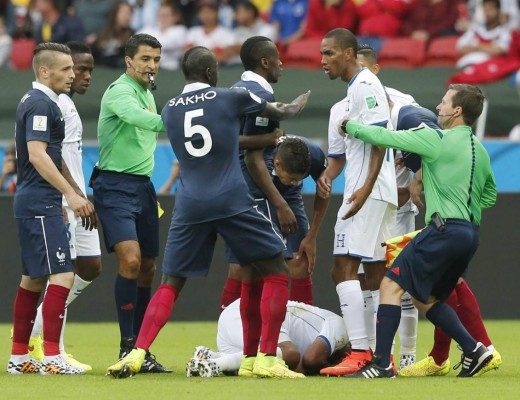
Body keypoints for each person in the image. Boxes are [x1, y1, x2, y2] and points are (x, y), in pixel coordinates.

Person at [105, 45, 311, 379]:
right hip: (230, 198)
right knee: (273, 267)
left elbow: (219, 139)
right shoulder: (229, 96)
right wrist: (297, 105)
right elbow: (280, 110)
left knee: (171, 282)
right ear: (213, 73)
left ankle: (136, 351)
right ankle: (264, 359)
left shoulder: (169, 109)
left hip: (189, 203)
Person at [340, 83, 497, 379]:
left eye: (443, 102)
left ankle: (382, 364)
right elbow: (490, 195)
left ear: (457, 111)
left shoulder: (436, 138)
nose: (438, 107)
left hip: (443, 229)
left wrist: (350, 126)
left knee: (390, 285)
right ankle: (475, 350)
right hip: (469, 235)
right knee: (426, 299)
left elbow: (385, 136)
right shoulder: (481, 150)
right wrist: (463, 204)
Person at [221, 36, 328, 309]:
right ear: (265, 62)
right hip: (254, 190)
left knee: (254, 266)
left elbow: (235, 140)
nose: (282, 63)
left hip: (266, 189)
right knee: (261, 267)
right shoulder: (261, 96)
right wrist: (279, 204)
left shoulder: (237, 90)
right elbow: (251, 154)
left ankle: (297, 329)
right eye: (277, 57)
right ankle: (240, 335)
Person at [8, 42, 95, 375]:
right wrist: (69, 196)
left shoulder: (38, 102)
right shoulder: (42, 104)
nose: (73, 75)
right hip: (40, 201)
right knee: (63, 273)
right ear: (44, 71)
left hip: (37, 201)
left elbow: (49, 156)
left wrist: (66, 194)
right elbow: (38, 154)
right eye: (66, 69)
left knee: (33, 279)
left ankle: (19, 356)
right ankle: (54, 357)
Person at [317, 28, 397, 377]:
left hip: (369, 191)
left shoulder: (365, 85)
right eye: (322, 54)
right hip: (376, 190)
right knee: (377, 271)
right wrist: (325, 176)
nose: (323, 61)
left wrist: (363, 188)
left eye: (329, 53)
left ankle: (361, 351)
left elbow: (379, 138)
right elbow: (340, 157)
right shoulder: (347, 99)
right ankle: (384, 356)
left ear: (348, 54)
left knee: (342, 267)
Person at [93, 33, 169, 374]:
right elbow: (142, 120)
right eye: (145, 59)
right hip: (113, 186)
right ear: (129, 61)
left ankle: (142, 349)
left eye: (156, 59)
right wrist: (180, 120)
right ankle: (128, 345)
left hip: (143, 188)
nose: (151, 65)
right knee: (131, 259)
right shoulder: (120, 91)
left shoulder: (148, 93)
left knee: (149, 265)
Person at [186, 298, 349, 377]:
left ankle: (212, 357)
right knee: (290, 354)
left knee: (251, 367)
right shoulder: (342, 327)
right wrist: (335, 369)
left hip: (233, 328)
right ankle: (217, 365)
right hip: (249, 312)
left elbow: (301, 368)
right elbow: (310, 359)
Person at [456, 0, 512, 69]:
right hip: (467, 63)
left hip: (490, 66)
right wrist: (488, 48)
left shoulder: (505, 31)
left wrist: (476, 47)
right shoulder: (475, 28)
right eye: (485, 9)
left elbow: (499, 51)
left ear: (498, 11)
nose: (487, 13)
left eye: (490, 10)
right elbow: (461, 48)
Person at [138, 2, 187, 71]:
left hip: (172, 69)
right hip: (150, 69)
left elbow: (170, 44)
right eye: (161, 15)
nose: (163, 18)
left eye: (166, 15)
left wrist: (147, 45)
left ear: (174, 17)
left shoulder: (180, 30)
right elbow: (136, 41)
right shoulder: (150, 30)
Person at [92, 1, 134, 68]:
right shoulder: (102, 33)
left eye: (130, 14)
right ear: (115, 13)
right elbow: (93, 56)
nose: (128, 17)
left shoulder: (132, 36)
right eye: (125, 13)